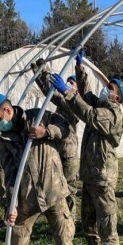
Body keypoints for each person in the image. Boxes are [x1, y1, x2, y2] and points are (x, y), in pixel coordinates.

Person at [50, 50, 123, 245]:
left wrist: (67, 93)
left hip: (103, 178)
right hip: (90, 176)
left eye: (110, 88)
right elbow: (86, 95)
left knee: (107, 229)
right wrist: (80, 68)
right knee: (89, 226)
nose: (105, 89)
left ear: (117, 98)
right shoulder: (101, 104)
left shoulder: (113, 114)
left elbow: (89, 114)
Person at [0, 94, 75, 245]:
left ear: (7, 110)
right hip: (27, 198)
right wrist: (12, 206)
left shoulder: (37, 117)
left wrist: (46, 131)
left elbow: (66, 128)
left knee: (64, 239)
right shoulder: (6, 138)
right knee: (18, 239)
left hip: (53, 191)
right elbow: (10, 174)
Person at [30, 59, 80, 218]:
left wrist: (44, 73)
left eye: (73, 83)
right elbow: (50, 92)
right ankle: (59, 216)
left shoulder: (77, 103)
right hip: (58, 147)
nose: (69, 84)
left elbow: (54, 95)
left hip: (69, 152)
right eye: (68, 82)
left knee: (69, 188)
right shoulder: (64, 100)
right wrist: (40, 74)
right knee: (57, 185)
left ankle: (69, 218)